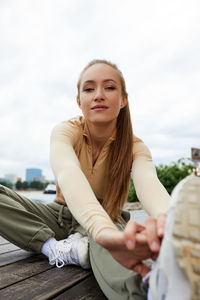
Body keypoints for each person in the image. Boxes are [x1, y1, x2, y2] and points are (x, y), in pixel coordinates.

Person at [0, 59, 173, 299]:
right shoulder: (65, 131)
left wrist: (169, 224)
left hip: (106, 218)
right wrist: (90, 231)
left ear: (123, 100)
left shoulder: (135, 147)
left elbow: (149, 184)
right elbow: (68, 172)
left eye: (110, 87)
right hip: (59, 216)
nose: (99, 95)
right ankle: (55, 249)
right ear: (79, 101)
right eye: (89, 89)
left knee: (112, 240)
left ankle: (150, 291)